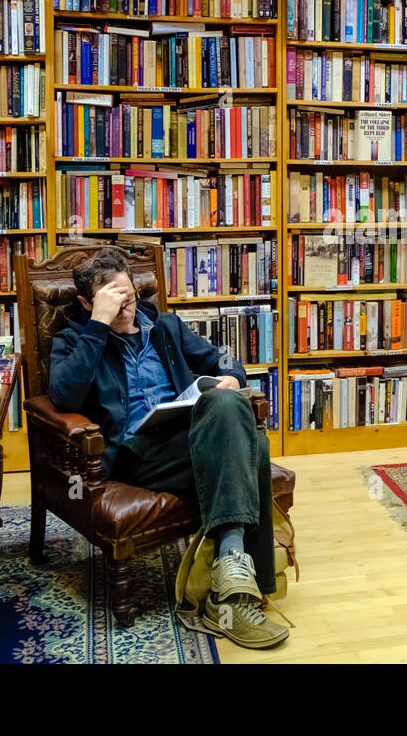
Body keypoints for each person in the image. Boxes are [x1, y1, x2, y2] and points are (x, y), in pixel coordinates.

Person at [47, 247, 287, 649]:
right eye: (110, 299)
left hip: (188, 437)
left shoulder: (165, 327)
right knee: (254, 447)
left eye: (127, 294)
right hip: (133, 454)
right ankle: (237, 590)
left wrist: (228, 379)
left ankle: (227, 585)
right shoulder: (75, 339)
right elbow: (65, 397)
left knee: (227, 406)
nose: (124, 305)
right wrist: (98, 325)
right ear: (87, 303)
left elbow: (224, 362)